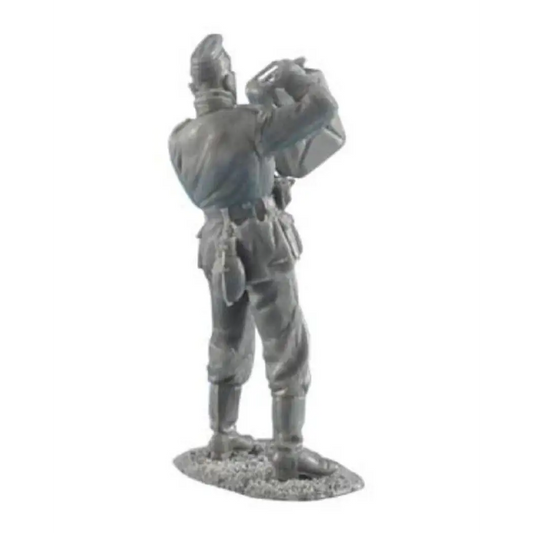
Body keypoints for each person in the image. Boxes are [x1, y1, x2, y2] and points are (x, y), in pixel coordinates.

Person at [169, 34, 339, 480]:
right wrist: (296, 78)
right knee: (287, 345)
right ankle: (288, 451)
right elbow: (323, 109)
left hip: (215, 245)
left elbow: (216, 185)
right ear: (228, 79)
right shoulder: (252, 122)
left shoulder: (178, 138)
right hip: (261, 244)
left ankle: (222, 435)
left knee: (226, 339)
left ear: (194, 88)